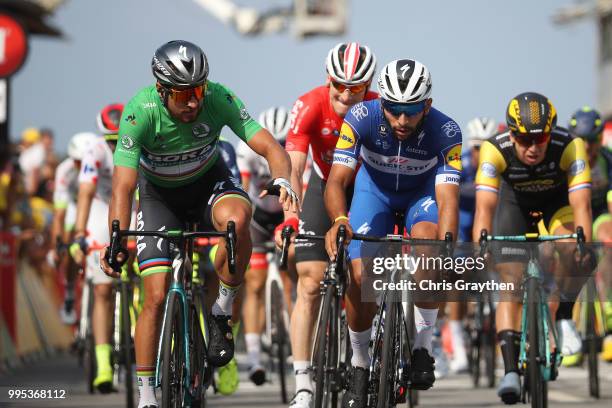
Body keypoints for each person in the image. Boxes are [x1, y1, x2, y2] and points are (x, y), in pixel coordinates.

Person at [99, 40, 297, 408]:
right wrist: (116, 240)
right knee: (155, 295)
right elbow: (124, 186)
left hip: (210, 184)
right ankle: (146, 396)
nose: (193, 102)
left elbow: (272, 148)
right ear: (161, 90)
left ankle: (221, 312)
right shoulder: (139, 112)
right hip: (160, 198)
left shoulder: (218, 98)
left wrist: (283, 178)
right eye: (184, 94)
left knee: (238, 221)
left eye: (199, 91)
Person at [324, 58, 462, 408]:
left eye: (412, 110)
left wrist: (447, 247)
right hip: (375, 194)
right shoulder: (361, 117)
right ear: (382, 102)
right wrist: (340, 219)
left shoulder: (447, 132)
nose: (402, 120)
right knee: (359, 274)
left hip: (422, 197)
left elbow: (447, 200)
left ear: (427, 105)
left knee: (431, 251)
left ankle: (422, 348)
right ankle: (359, 362)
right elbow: (337, 180)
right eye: (394, 109)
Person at [472, 92, 593, 404]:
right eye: (524, 140)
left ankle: (564, 314)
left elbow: (581, 205)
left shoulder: (569, 146)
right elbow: (484, 208)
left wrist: (582, 247)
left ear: (551, 132)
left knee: (573, 248)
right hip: (513, 207)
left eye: (541, 138)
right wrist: (480, 244)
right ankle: (510, 370)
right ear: (510, 133)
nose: (533, 147)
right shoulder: (494, 149)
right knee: (510, 283)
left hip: (557, 206)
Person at [280, 41, 378, 408]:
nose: (347, 94)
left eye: (356, 88)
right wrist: (291, 216)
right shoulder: (309, 104)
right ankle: (304, 383)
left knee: (361, 277)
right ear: (328, 80)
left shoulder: (380, 108)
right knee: (309, 280)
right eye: (339, 85)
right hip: (324, 186)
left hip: (368, 188)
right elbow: (293, 165)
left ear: (367, 86)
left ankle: (361, 359)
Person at [70, 104, 124, 392]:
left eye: (120, 140)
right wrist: (79, 232)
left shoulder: (140, 141)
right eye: (111, 142)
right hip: (102, 210)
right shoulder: (95, 150)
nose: (116, 146)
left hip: (134, 204)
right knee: (102, 288)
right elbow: (86, 191)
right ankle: (103, 362)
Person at [237, 106, 293, 386]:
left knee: (291, 279)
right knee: (255, 285)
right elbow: (242, 189)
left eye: (284, 143)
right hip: (258, 216)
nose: (279, 148)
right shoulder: (247, 150)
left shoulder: (295, 147)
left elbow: (302, 188)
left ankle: (297, 344)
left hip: (286, 213)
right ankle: (255, 357)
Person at [566, 106, 612, 363]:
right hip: (572, 213)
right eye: (582, 141)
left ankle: (609, 318)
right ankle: (570, 328)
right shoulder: (566, 159)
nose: (588, 147)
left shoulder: (607, 160)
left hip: (600, 213)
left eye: (593, 140)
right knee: (566, 252)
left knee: (608, 237)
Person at [51, 132, 98, 324]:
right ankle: (69, 292)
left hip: (96, 202)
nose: (82, 165)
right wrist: (57, 245)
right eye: (77, 161)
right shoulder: (64, 171)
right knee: (70, 239)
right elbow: (59, 215)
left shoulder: (99, 161)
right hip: (73, 204)